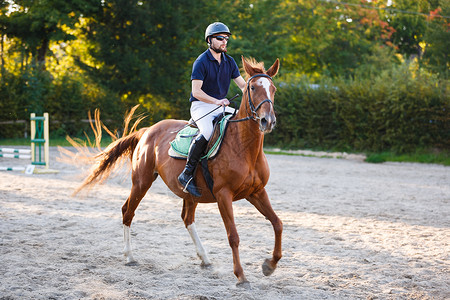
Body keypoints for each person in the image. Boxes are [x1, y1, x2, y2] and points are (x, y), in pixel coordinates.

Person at [178, 22, 246, 197]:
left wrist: (258, 90)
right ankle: (186, 173)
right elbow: (196, 92)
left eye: (226, 38)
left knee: (239, 122)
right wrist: (216, 101)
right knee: (208, 131)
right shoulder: (201, 62)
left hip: (220, 105)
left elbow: (243, 86)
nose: (224, 41)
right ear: (210, 40)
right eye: (220, 38)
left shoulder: (229, 61)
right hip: (201, 105)